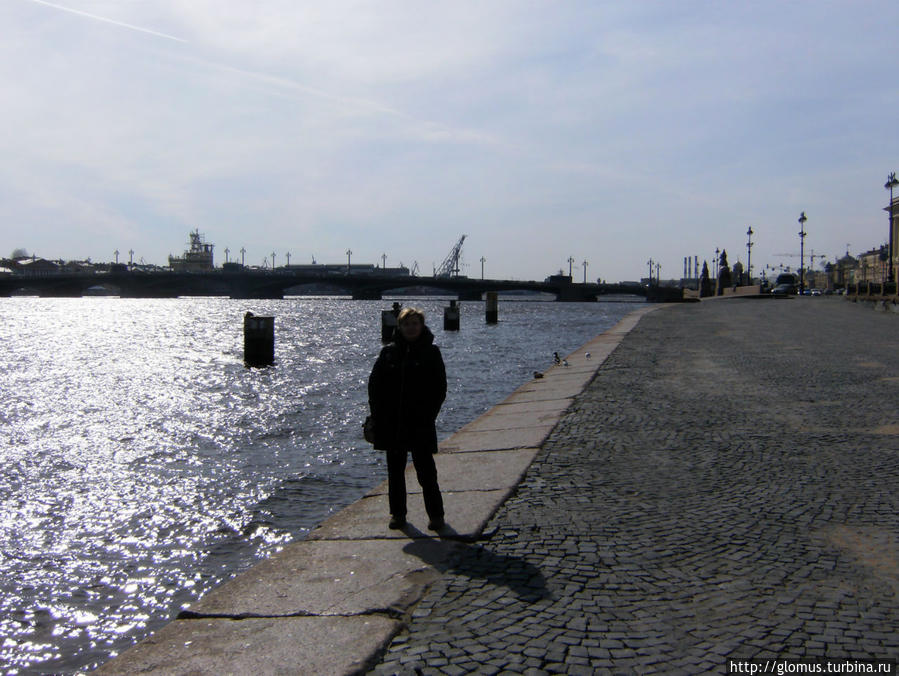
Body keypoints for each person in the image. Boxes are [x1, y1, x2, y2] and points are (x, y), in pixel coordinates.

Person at [368, 307, 446, 531]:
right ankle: (398, 514)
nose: (411, 328)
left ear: (421, 326)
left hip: (420, 422)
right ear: (399, 328)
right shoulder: (389, 353)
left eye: (415, 324)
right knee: (395, 471)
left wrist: (429, 415)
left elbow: (440, 388)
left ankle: (436, 515)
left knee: (426, 472)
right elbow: (375, 386)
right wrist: (378, 415)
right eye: (406, 324)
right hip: (393, 422)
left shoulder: (431, 353)